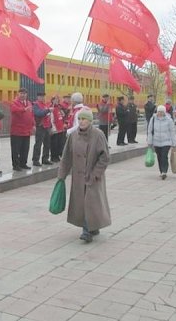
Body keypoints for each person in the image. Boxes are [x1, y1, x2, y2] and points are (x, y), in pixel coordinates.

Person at [57, 108, 111, 243]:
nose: (81, 122)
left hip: (93, 177)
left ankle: (87, 230)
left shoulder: (98, 135)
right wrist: (61, 175)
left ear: (90, 121)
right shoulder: (73, 136)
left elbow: (105, 157)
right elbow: (66, 157)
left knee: (90, 203)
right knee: (82, 203)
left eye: (84, 119)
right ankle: (93, 227)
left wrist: (96, 173)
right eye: (79, 119)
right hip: (78, 177)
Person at [147, 105, 176, 180]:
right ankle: (161, 171)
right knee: (159, 156)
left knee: (164, 156)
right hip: (156, 141)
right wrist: (149, 142)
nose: (160, 113)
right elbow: (150, 131)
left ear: (164, 112)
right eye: (159, 112)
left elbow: (172, 132)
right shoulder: (153, 119)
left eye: (161, 112)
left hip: (166, 142)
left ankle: (164, 171)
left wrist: (174, 143)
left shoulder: (169, 120)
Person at [10, 88, 34, 171]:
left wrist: (33, 125)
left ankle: (23, 163)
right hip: (17, 131)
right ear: (18, 94)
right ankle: (16, 165)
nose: (23, 95)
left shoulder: (29, 103)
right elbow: (14, 110)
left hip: (26, 131)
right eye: (21, 93)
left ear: (26, 95)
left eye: (24, 93)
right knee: (16, 150)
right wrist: (24, 109)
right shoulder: (14, 102)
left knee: (25, 149)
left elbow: (31, 115)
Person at [32, 92, 52, 166]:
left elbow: (47, 115)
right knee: (38, 144)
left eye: (43, 96)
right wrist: (48, 110)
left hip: (47, 126)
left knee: (47, 144)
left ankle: (45, 159)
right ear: (37, 97)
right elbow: (38, 113)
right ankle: (35, 160)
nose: (42, 98)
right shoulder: (35, 105)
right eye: (41, 96)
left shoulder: (45, 105)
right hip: (40, 126)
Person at [49, 95, 66, 162]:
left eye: (57, 100)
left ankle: (58, 156)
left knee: (59, 143)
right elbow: (51, 119)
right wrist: (52, 128)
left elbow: (62, 116)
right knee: (54, 144)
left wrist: (63, 113)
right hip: (55, 129)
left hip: (60, 128)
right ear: (52, 100)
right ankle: (53, 157)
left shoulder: (59, 107)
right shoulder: (51, 108)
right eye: (55, 99)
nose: (56, 101)